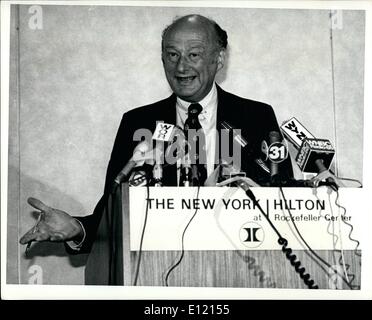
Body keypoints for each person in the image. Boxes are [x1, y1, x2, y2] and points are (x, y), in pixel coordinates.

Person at [20, 14, 293, 254]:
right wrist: (78, 228)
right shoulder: (138, 123)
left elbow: (284, 202)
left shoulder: (256, 117)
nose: (181, 67)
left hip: (241, 262)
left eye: (194, 55)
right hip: (159, 270)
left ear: (218, 59)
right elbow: (115, 210)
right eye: (172, 55)